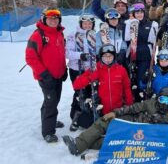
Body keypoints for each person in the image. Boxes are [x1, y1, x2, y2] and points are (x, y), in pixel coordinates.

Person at [62, 87, 168, 156]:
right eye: (162, 99)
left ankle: (84, 143)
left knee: (117, 141)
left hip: (142, 135)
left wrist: (159, 126)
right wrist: (115, 113)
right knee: (105, 121)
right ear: (157, 98)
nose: (164, 103)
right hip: (131, 121)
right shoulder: (150, 103)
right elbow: (132, 108)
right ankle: (78, 144)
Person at [25, 7, 67, 143]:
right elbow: (30, 58)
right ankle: (48, 132)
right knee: (51, 102)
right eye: (50, 18)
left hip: (58, 75)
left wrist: (64, 69)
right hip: (45, 76)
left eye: (56, 18)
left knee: (54, 100)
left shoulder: (59, 33)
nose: (53, 21)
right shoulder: (38, 35)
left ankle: (50, 121)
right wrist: (44, 74)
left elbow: (60, 54)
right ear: (44, 19)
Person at [73, 44, 134, 115]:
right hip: (101, 113)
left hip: (118, 112)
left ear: (114, 57)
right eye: (104, 56)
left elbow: (127, 89)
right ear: (101, 57)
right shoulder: (95, 69)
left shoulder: (121, 70)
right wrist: (90, 78)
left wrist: (129, 107)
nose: (107, 59)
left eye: (110, 56)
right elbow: (76, 85)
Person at [65, 13, 96, 131]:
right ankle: (75, 117)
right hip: (76, 69)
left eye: (90, 23)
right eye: (85, 23)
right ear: (81, 24)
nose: (87, 25)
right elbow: (67, 53)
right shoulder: (73, 35)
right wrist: (80, 55)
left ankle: (86, 117)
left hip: (91, 69)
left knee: (89, 93)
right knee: (79, 93)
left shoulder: (95, 35)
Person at [124, 3, 159, 101]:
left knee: (141, 79)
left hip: (145, 55)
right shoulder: (130, 23)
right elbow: (127, 38)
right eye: (137, 13)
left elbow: (153, 40)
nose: (139, 15)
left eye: (141, 12)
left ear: (144, 13)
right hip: (132, 55)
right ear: (134, 14)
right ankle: (132, 100)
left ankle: (141, 100)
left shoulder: (151, 24)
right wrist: (130, 24)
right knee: (131, 80)